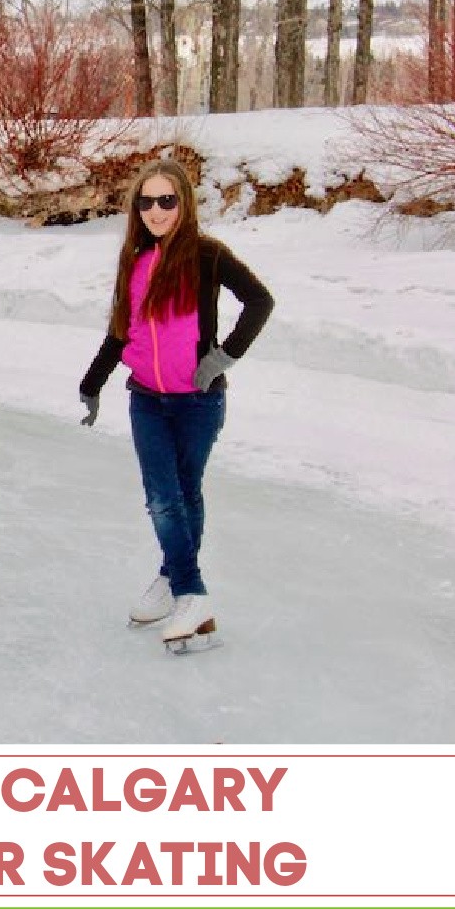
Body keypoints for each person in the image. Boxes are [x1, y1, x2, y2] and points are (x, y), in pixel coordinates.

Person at [78, 158, 274, 648]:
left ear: (183, 203)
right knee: (162, 496)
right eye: (147, 201)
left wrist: (222, 359)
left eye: (167, 200)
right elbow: (121, 331)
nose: (157, 210)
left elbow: (259, 301)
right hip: (146, 399)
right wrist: (93, 381)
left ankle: (179, 584)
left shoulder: (207, 254)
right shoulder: (135, 259)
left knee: (183, 493)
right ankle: (186, 589)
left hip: (197, 401)